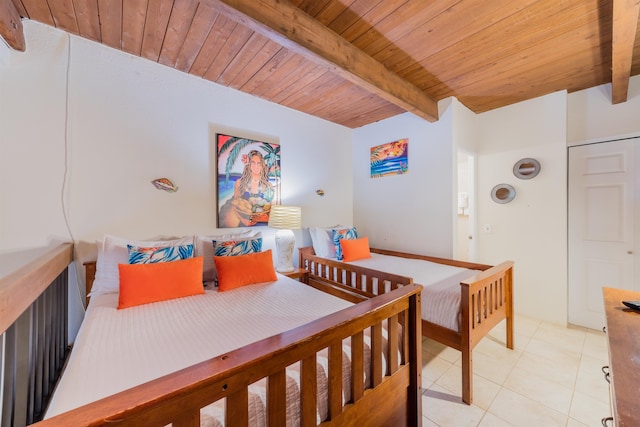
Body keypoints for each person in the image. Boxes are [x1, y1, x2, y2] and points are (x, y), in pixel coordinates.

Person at [219, 150, 275, 227]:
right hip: (244, 222)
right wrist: (244, 220)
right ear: (249, 164)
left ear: (262, 165)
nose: (256, 166)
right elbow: (235, 206)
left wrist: (263, 218)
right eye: (253, 163)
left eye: (259, 163)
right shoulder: (239, 183)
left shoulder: (268, 185)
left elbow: (270, 209)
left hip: (262, 223)